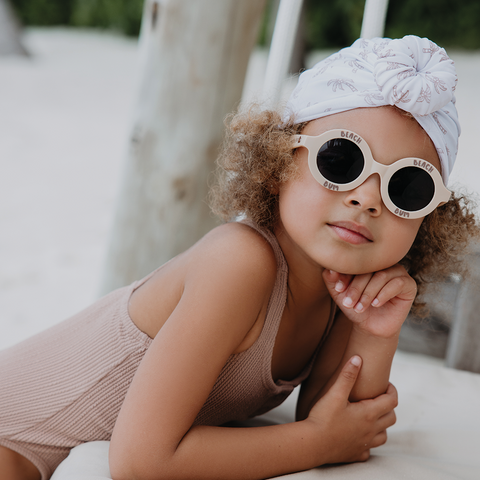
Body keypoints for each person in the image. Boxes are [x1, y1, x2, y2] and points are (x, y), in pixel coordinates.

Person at [0, 35, 478, 480]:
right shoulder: (239, 261)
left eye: (407, 188)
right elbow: (140, 460)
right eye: (341, 160)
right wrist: (314, 445)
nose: (367, 199)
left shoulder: (343, 283)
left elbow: (340, 422)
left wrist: (376, 331)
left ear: (428, 219)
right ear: (278, 162)